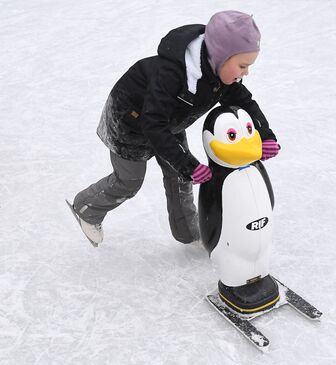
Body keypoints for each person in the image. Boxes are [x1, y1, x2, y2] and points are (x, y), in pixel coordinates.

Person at [69, 10, 280, 246]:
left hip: (169, 120)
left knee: (180, 177)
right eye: (242, 65)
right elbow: (152, 123)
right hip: (130, 121)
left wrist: (265, 135)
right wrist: (186, 163)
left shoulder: (223, 77)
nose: (246, 73)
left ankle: (189, 233)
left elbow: (245, 102)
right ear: (221, 56)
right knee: (129, 181)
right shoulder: (173, 74)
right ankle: (87, 207)